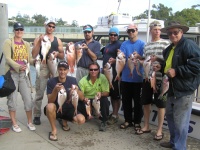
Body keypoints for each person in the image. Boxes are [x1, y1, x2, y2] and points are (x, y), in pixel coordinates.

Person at [159, 21, 200, 149]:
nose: (172, 35)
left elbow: (197, 66)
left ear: (182, 32)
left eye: (175, 32)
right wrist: (160, 68)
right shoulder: (168, 49)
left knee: (181, 123)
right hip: (171, 89)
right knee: (171, 120)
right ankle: (173, 142)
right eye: (170, 33)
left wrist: (177, 71)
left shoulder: (189, 45)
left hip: (183, 90)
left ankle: (180, 147)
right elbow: (168, 69)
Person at [135, 21, 170, 140]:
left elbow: (168, 61)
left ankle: (159, 130)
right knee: (146, 103)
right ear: (150, 30)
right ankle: (146, 126)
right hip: (147, 78)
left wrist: (158, 61)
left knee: (161, 105)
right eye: (155, 29)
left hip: (161, 79)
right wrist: (140, 61)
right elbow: (146, 61)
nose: (157, 31)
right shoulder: (147, 45)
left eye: (159, 29)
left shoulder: (166, 43)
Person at [3, 22, 36, 132]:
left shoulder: (26, 44)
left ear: (23, 31)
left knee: (28, 99)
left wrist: (35, 61)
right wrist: (18, 67)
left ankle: (30, 121)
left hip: (24, 75)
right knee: (12, 100)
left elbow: (29, 59)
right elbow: (8, 58)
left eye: (21, 29)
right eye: (17, 29)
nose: (19, 31)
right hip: (12, 74)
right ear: (14, 31)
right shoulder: (8, 42)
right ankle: (14, 123)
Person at [32, 20, 64, 125]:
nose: (51, 28)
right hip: (43, 65)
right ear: (45, 26)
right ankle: (36, 115)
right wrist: (39, 42)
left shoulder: (57, 40)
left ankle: (58, 113)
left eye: (53, 26)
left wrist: (57, 54)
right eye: (49, 26)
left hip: (54, 65)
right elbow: (34, 54)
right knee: (40, 91)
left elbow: (62, 55)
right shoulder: (39, 38)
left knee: (58, 90)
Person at [44, 61, 85, 141]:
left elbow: (82, 98)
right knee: (49, 106)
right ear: (57, 70)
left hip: (69, 108)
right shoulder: (51, 81)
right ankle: (54, 130)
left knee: (81, 120)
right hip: (57, 108)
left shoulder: (73, 80)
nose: (62, 72)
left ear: (68, 70)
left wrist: (77, 91)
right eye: (60, 69)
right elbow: (50, 100)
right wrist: (55, 90)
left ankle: (64, 121)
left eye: (64, 70)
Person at [119, 24, 144, 130]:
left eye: (133, 30)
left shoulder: (142, 44)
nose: (131, 33)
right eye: (129, 31)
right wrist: (120, 55)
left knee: (138, 101)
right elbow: (122, 57)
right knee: (126, 100)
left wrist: (139, 57)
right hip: (125, 78)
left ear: (137, 31)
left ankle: (137, 122)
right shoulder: (124, 44)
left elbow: (145, 59)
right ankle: (127, 120)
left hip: (138, 78)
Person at [78, 62, 110, 131]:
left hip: (98, 98)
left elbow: (107, 93)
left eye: (95, 69)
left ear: (98, 70)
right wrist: (84, 98)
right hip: (87, 100)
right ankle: (88, 114)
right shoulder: (83, 80)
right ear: (88, 70)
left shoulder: (103, 77)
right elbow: (80, 93)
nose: (93, 71)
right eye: (91, 69)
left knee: (105, 100)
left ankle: (104, 121)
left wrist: (101, 94)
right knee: (78, 102)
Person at [102, 27, 121, 125]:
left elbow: (122, 57)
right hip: (106, 73)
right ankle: (113, 113)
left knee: (115, 95)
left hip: (114, 74)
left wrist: (115, 60)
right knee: (109, 94)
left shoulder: (119, 45)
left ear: (118, 36)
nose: (113, 36)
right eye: (111, 34)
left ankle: (115, 115)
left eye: (115, 35)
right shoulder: (108, 45)